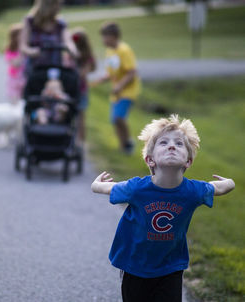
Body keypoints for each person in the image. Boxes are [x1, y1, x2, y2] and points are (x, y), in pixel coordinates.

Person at [91, 114, 235, 302]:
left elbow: (220, 188)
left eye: (179, 143)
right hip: (135, 264)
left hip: (171, 266)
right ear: (150, 160)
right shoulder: (137, 188)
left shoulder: (193, 191)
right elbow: (103, 188)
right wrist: (96, 183)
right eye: (163, 142)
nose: (172, 145)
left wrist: (230, 182)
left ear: (188, 161)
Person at [92, 22, 141, 154]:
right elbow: (113, 71)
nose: (103, 40)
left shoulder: (124, 50)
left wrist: (119, 86)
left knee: (119, 117)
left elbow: (132, 72)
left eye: (105, 37)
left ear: (114, 36)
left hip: (127, 91)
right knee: (115, 119)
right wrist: (103, 78)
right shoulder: (110, 51)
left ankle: (128, 143)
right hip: (117, 91)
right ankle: (123, 146)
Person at [20, 0, 78, 75]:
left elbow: (68, 41)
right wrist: (32, 51)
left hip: (55, 68)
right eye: (57, 5)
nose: (59, 8)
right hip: (35, 68)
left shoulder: (60, 23)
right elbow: (23, 46)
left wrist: (71, 48)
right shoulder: (30, 21)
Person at [71, 28, 96, 147]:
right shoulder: (71, 54)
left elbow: (84, 73)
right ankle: (77, 140)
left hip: (79, 90)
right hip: (76, 89)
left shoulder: (86, 57)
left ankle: (80, 141)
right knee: (78, 116)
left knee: (80, 116)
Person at [4, 23, 25, 104]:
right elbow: (16, 64)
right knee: (14, 100)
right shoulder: (10, 50)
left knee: (23, 100)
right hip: (14, 78)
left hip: (24, 77)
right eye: (20, 35)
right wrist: (22, 51)